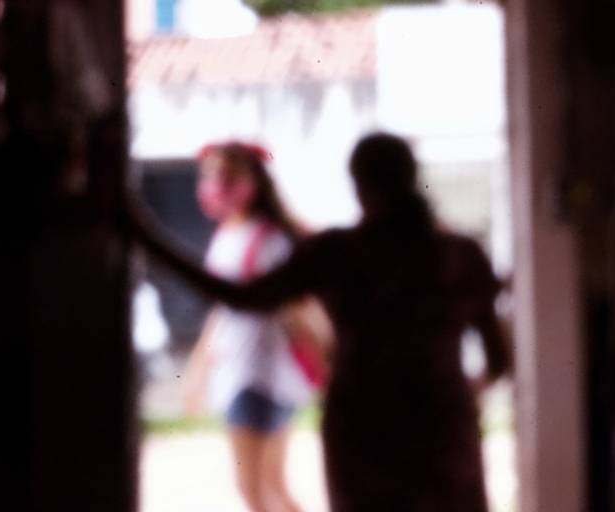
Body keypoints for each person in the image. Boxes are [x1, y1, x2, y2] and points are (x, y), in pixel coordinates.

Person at [128, 133, 511, 511]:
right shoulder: (460, 256)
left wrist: (146, 238)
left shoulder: (339, 253)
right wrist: (465, 393)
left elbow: (240, 296)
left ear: (359, 186)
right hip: (441, 425)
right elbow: (498, 358)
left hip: (363, 427)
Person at [177, 141, 325, 512]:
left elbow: (295, 312)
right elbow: (222, 314)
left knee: (255, 489)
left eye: (227, 175)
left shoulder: (270, 240)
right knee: (268, 488)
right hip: (240, 373)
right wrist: (197, 371)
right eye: (210, 175)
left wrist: (327, 363)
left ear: (253, 180)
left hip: (261, 376)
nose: (216, 184)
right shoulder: (228, 235)